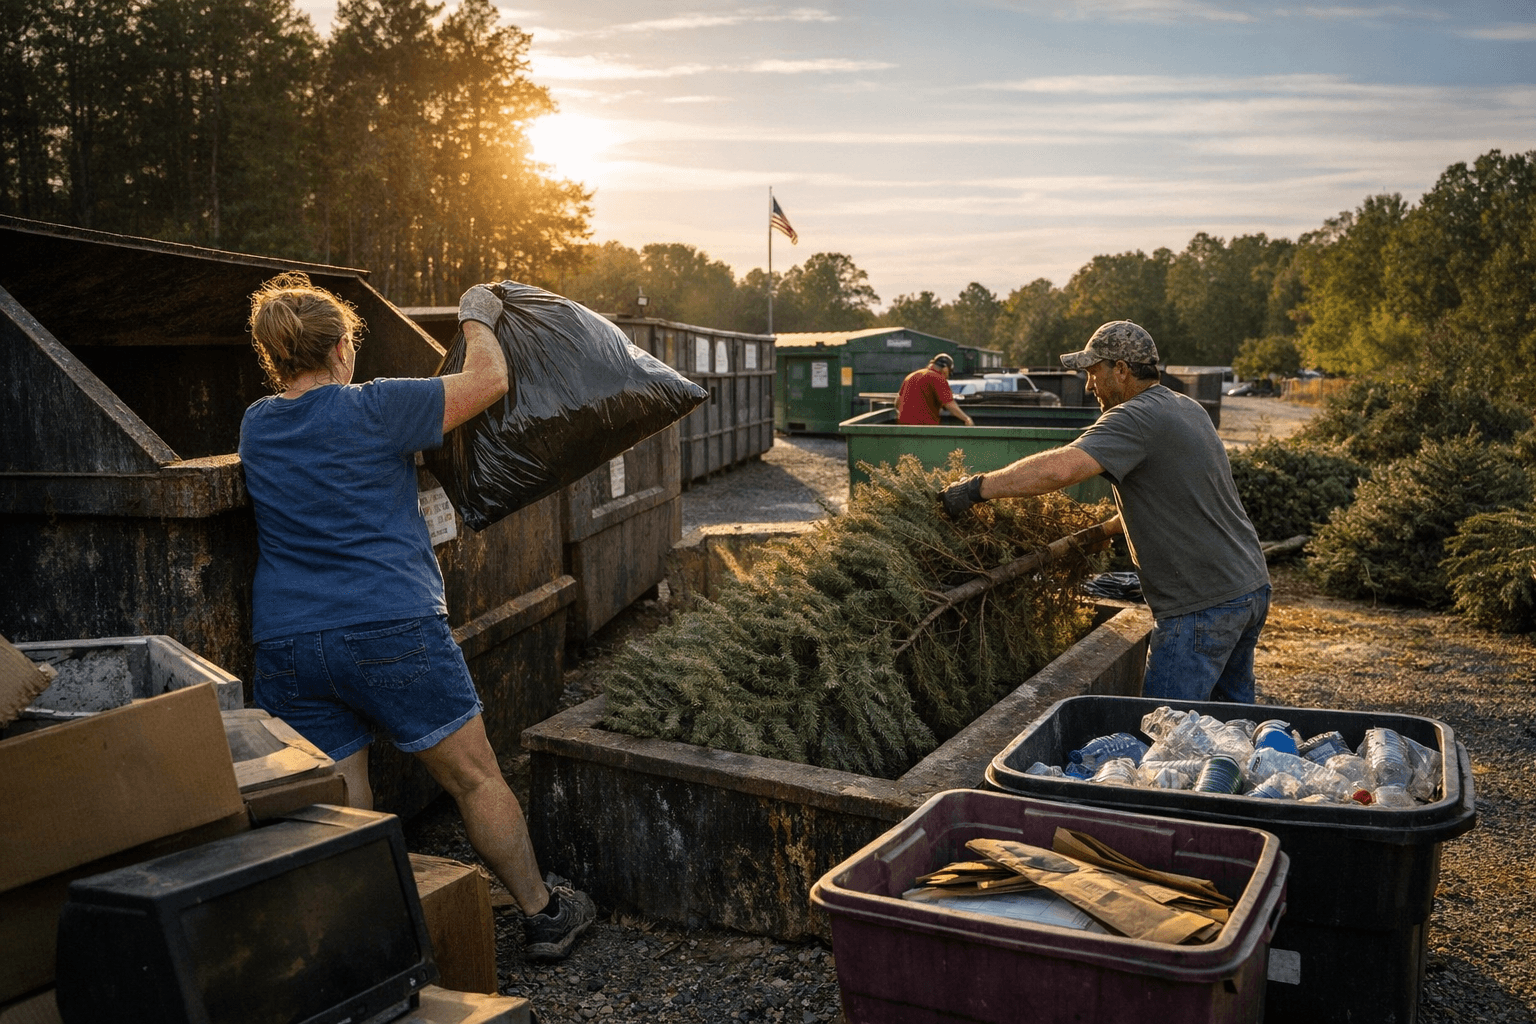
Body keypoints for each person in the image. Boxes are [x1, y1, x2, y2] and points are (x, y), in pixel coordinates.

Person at [238, 273, 595, 961]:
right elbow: (489, 381)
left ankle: (365, 952)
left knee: (342, 806)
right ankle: (546, 914)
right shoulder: (376, 407)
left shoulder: (257, 425)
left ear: (273, 356)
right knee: (475, 777)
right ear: (343, 347)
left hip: (289, 644)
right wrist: (477, 316)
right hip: (391, 628)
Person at [939, 321, 1270, 704]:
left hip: (1201, 604)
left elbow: (1060, 469)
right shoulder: (1186, 407)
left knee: (1166, 735)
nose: (1088, 384)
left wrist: (976, 488)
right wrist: (1110, 529)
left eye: (1092, 372)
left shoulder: (1134, 417)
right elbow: (1186, 495)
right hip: (1248, 586)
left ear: (1121, 369)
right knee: (1231, 728)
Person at [896, 353, 974, 426]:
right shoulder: (938, 378)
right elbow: (949, 404)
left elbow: (897, 402)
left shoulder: (911, 376)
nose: (947, 377)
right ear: (945, 369)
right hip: (924, 428)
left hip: (903, 427)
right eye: (949, 373)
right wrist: (966, 418)